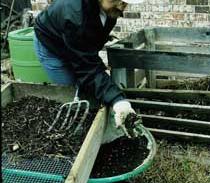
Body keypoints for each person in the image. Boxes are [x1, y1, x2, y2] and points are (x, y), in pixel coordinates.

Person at [33, 0, 144, 135]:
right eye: (118, 0)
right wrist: (117, 100)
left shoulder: (109, 9)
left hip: (73, 40)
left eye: (124, 1)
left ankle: (96, 131)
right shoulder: (75, 16)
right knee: (72, 91)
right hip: (52, 46)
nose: (122, 5)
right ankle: (76, 138)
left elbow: (86, 53)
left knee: (91, 84)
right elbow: (86, 68)